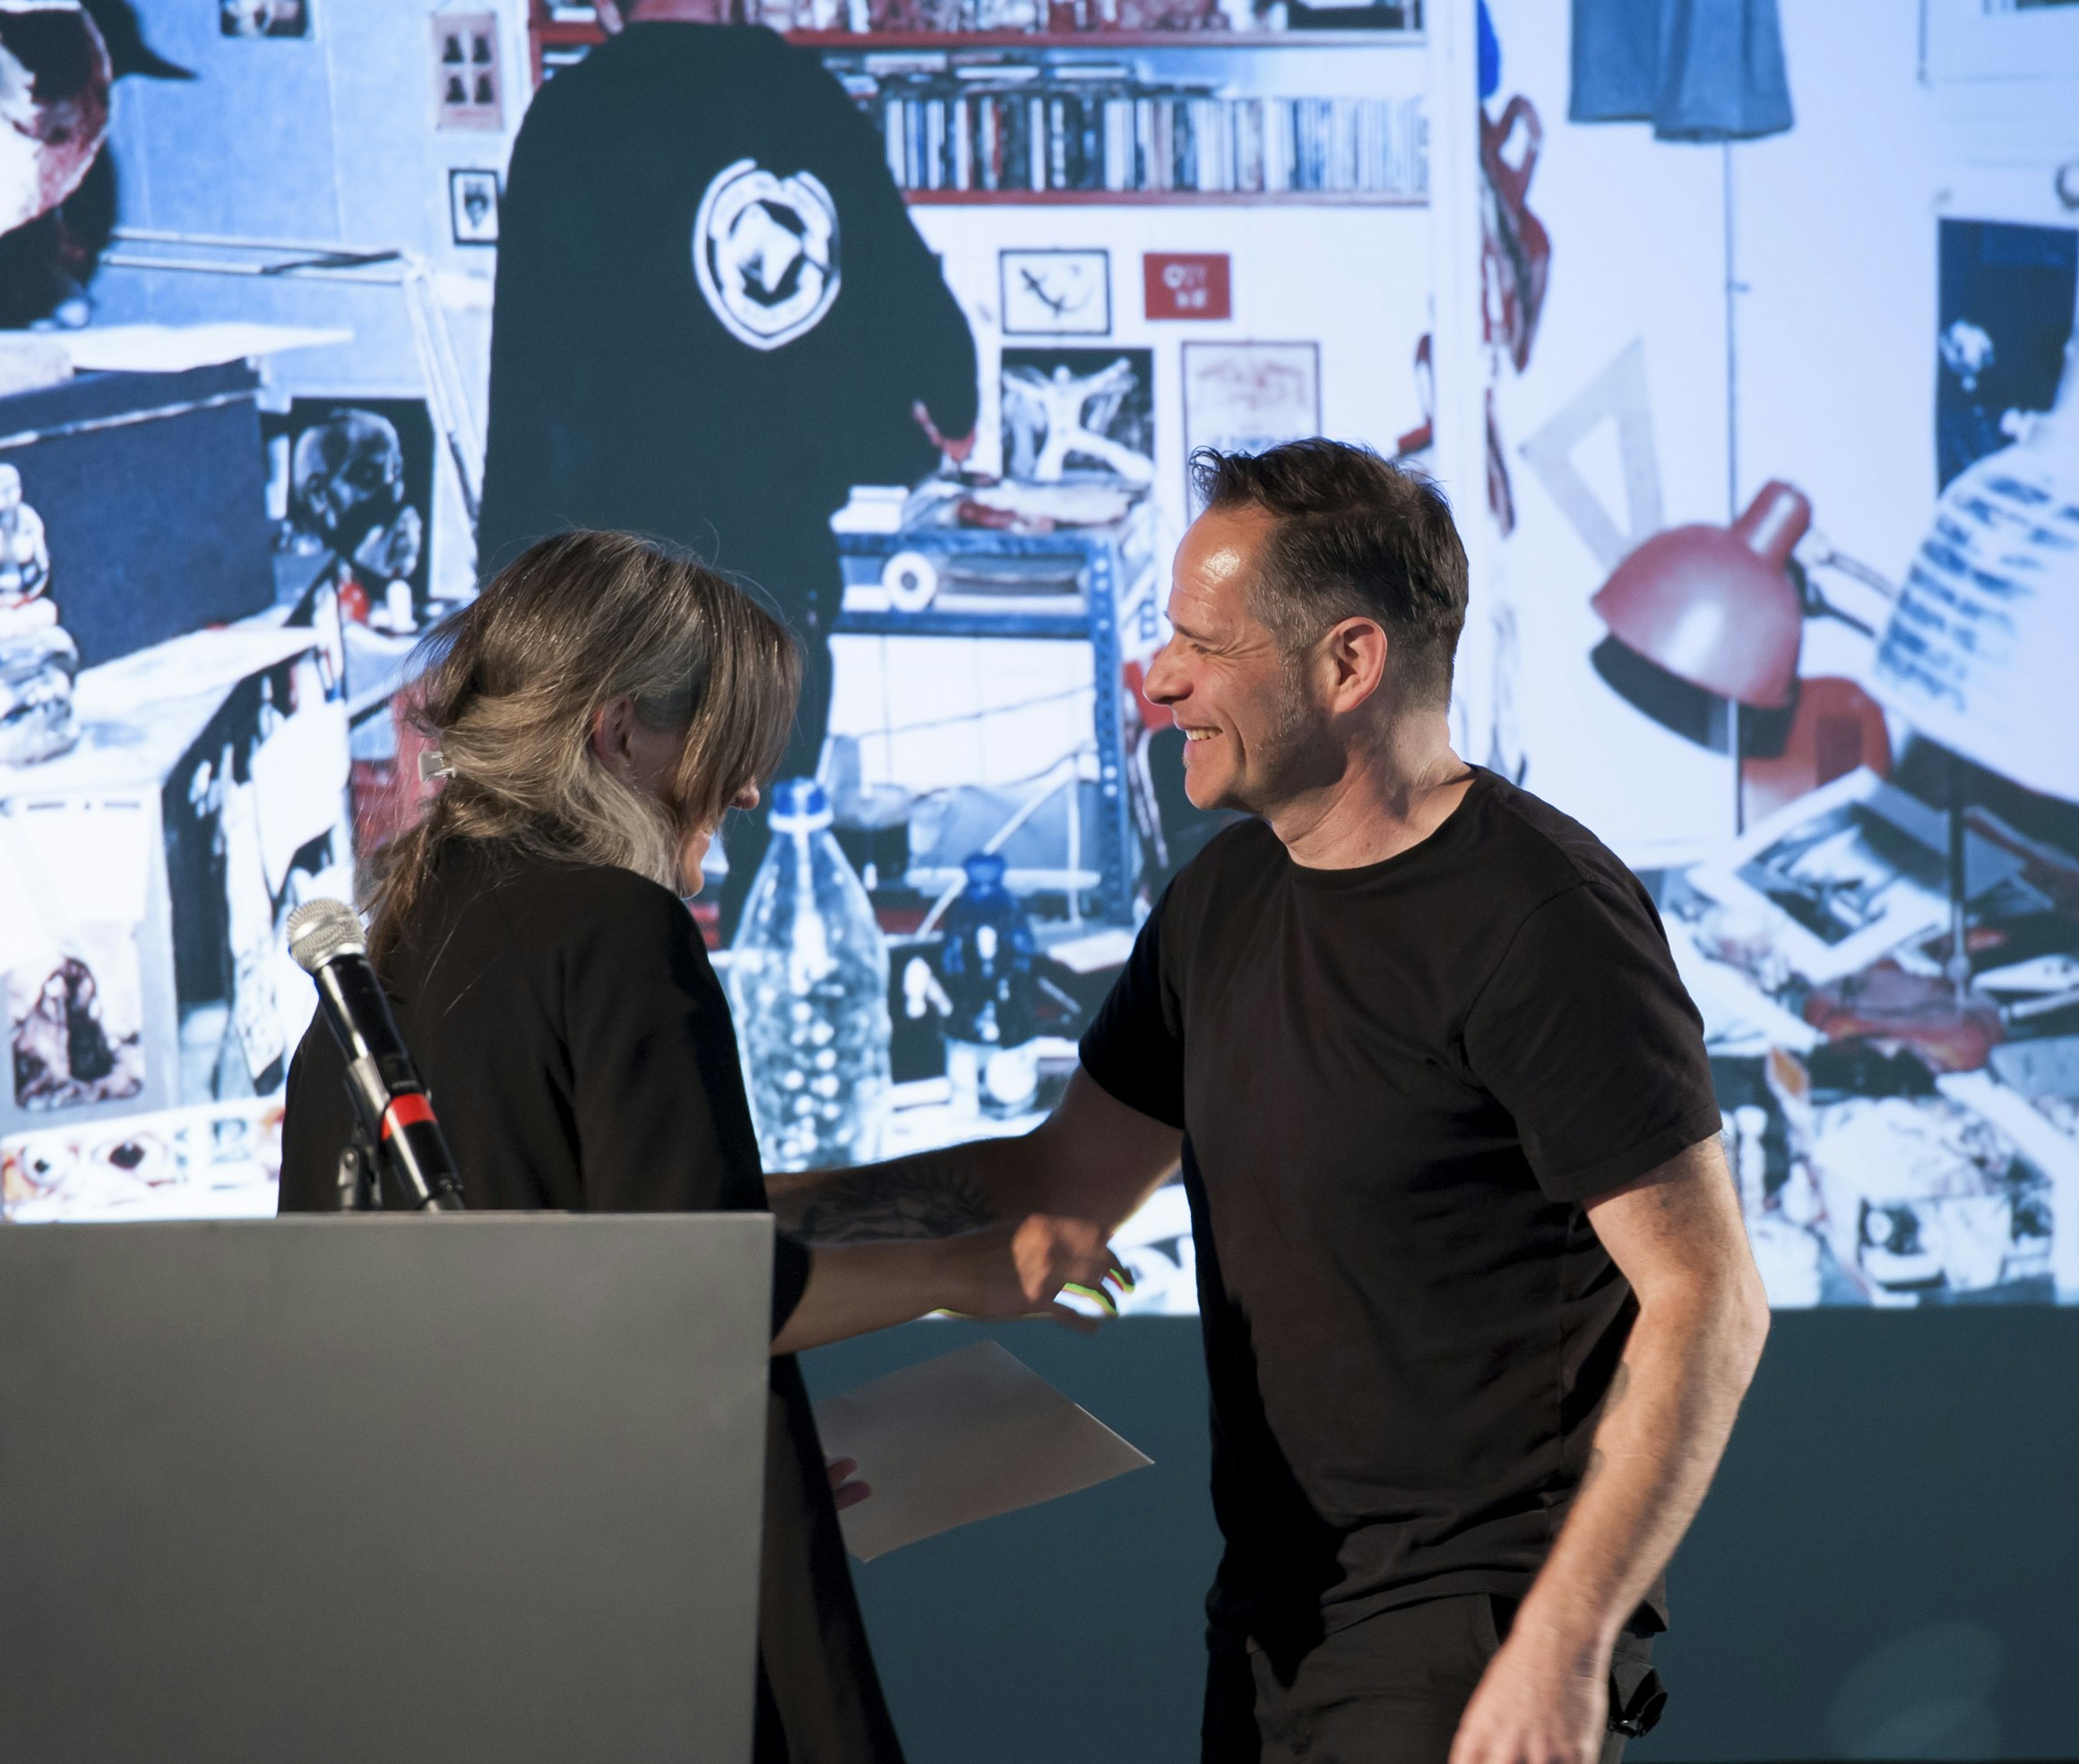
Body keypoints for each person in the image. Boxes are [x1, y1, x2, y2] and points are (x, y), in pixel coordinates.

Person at [767, 442, 1771, 1764]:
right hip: (1270, 1628)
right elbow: (1055, 1182)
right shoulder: (1222, 900)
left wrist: (1563, 1642)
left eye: (1203, 644)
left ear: (1349, 664)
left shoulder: (1541, 918)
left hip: (1467, 1635)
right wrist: (722, 1216)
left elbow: (1708, 1298)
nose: (1159, 677)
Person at [277, 530, 1125, 1764]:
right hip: (643, 1636)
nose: (750, 792)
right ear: (620, 734)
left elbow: (571, 1267)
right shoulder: (617, 930)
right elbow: (698, 1292)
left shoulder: (377, 978)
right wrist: (970, 1270)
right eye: (728, 745)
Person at [478, 0, 979, 927]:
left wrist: (503, 591)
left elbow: (529, 371)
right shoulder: (803, 96)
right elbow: (926, 331)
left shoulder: (575, 113)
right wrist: (944, 414)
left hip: (620, 598)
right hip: (770, 590)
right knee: (772, 881)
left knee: (615, 882)